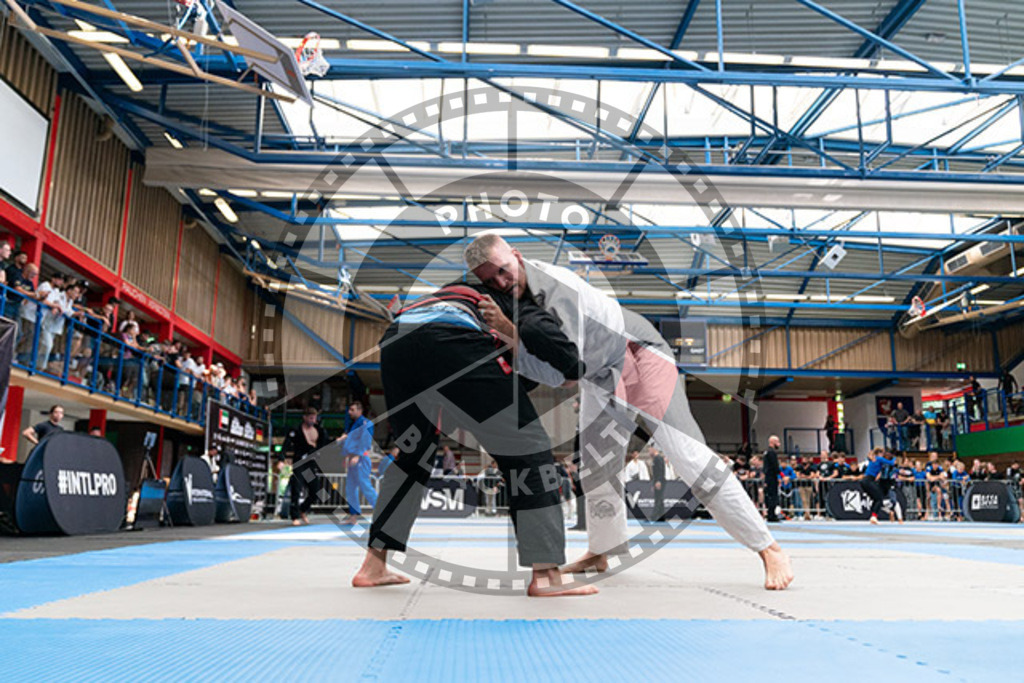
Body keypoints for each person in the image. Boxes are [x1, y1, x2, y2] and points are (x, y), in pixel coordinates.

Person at [466, 234, 792, 589]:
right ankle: (601, 550)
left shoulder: (559, 290)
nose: (500, 282)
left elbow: (564, 377)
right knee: (595, 466)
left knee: (687, 455)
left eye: (504, 270)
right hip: (600, 372)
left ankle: (769, 548)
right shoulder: (509, 295)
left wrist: (509, 333)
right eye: (490, 280)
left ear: (517, 255)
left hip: (639, 352)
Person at [351, 281, 597, 596]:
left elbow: (493, 387)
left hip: (398, 339)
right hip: (453, 339)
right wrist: (572, 369)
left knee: (413, 456)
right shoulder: (523, 302)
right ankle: (547, 575)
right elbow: (549, 346)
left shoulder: (455, 291)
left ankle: (373, 566)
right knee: (530, 450)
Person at [282, 407, 331, 526]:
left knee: (315, 491)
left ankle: (303, 509)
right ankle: (294, 516)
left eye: (314, 418)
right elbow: (286, 444)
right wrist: (281, 459)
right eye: (310, 418)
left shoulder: (319, 430)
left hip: (310, 464)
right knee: (296, 489)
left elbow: (324, 444)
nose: (313, 420)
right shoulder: (297, 430)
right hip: (299, 463)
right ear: (304, 417)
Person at [340, 401, 377, 525]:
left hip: (361, 458)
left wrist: (357, 455)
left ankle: (381, 512)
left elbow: (365, 441)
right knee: (350, 488)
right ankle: (353, 516)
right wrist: (347, 456)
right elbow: (349, 442)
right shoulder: (352, 424)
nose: (349, 412)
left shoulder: (365, 423)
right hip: (352, 458)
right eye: (349, 409)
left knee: (365, 486)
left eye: (352, 410)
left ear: (359, 410)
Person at [861, 448, 896, 524]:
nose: (883, 455)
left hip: (865, 481)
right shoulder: (879, 459)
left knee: (875, 498)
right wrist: (895, 458)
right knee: (879, 498)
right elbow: (891, 463)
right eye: (882, 453)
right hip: (869, 480)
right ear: (879, 453)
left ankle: (873, 516)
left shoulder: (873, 459)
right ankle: (873, 516)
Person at [763, 435, 782, 523]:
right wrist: (781, 475)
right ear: (773, 442)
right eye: (777, 442)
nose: (779, 444)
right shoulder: (771, 453)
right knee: (773, 496)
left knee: (770, 496)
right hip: (772, 477)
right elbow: (775, 466)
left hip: (768, 477)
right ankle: (771, 515)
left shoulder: (766, 452)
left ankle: (770, 514)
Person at [651, 448, 667, 521]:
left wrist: (658, 481)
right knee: (659, 498)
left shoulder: (659, 458)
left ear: (654, 450)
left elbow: (661, 470)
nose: (649, 452)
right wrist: (654, 482)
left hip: (660, 481)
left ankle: (653, 516)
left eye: (650, 450)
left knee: (658, 498)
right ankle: (662, 516)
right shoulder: (655, 459)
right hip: (656, 480)